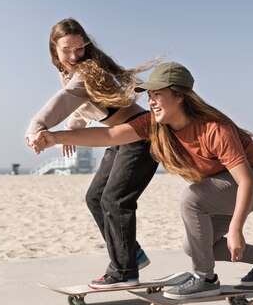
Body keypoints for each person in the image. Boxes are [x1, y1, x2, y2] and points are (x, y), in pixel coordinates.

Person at [32, 61, 253, 300]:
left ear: (180, 96)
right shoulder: (155, 125)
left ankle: (205, 278)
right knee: (198, 245)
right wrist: (55, 137)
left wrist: (236, 229)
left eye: (158, 94)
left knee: (193, 198)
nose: (152, 101)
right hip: (223, 185)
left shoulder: (214, 129)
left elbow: (246, 181)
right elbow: (110, 136)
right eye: (150, 96)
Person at [25, 18, 159, 289]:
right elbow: (80, 104)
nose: (74, 56)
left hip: (140, 135)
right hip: (122, 137)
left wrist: (37, 126)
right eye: (66, 50)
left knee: (115, 200)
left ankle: (124, 270)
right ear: (54, 50)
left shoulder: (89, 70)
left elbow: (65, 100)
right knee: (95, 197)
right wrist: (71, 128)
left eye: (79, 49)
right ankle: (130, 254)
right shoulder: (70, 74)